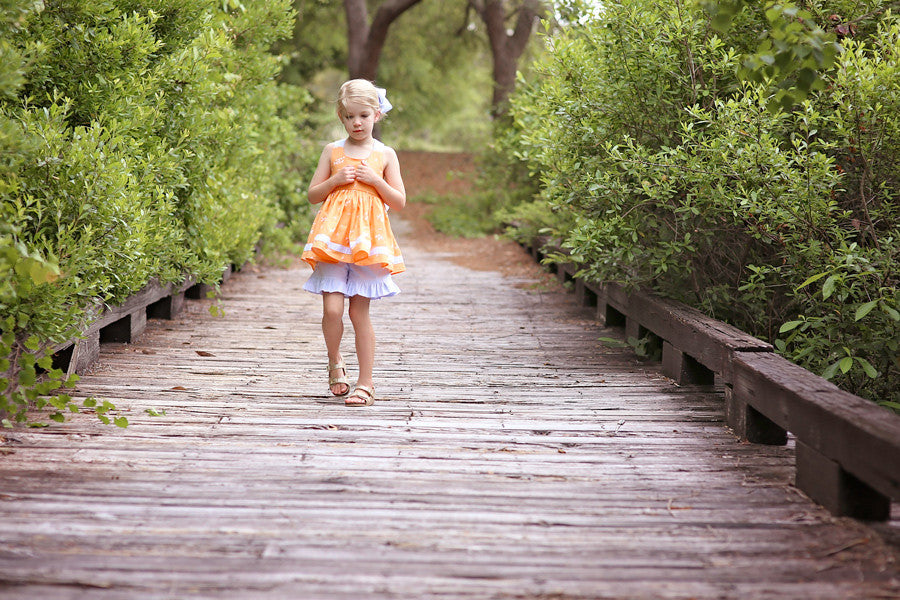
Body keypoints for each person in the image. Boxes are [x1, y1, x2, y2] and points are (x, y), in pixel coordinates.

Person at [301, 79, 406, 407]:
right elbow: (312, 195)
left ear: (377, 115)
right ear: (340, 116)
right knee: (333, 309)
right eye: (349, 117)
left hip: (368, 242)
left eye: (363, 115)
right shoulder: (332, 151)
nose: (356, 123)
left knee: (360, 313)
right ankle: (335, 363)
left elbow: (399, 201)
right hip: (333, 240)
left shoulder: (385, 154)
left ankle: (366, 383)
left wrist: (376, 181)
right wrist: (334, 181)